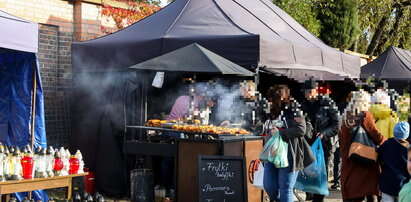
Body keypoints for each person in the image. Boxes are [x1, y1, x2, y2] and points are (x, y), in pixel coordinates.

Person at [263, 85, 314, 202]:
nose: (271, 101)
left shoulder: (294, 108)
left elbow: (301, 129)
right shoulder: (270, 109)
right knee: (269, 185)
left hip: (290, 153)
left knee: (285, 188)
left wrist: (280, 133)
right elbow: (260, 123)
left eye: (274, 98)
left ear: (282, 97)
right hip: (272, 151)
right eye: (270, 98)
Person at [339, 90, 386, 202]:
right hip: (364, 160)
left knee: (353, 192)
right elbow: (376, 135)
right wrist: (387, 142)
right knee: (369, 190)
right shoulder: (365, 115)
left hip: (349, 161)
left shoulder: (345, 116)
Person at [300, 80, 340, 202]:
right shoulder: (303, 105)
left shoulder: (327, 103)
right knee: (307, 171)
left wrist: (324, 134)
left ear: (314, 91)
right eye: (305, 92)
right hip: (308, 143)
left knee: (321, 172)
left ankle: (319, 197)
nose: (306, 94)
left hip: (324, 144)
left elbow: (337, 124)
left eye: (308, 91)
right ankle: (310, 194)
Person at [378, 121, 410, 202]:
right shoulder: (408, 149)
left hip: (387, 184)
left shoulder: (387, 144)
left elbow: (378, 156)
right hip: (403, 185)